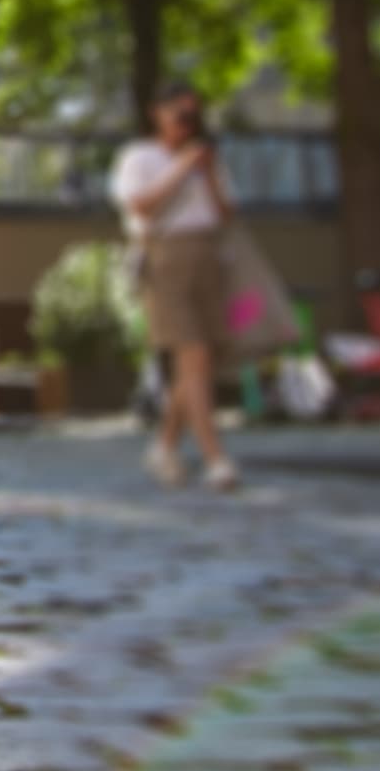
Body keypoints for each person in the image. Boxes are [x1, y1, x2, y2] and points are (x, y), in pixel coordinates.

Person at [110, 84, 239, 491]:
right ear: (157, 113)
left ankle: (165, 447)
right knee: (193, 353)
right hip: (165, 259)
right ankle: (215, 459)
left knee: (201, 360)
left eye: (193, 115)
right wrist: (183, 167)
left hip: (207, 258)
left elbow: (224, 213)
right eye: (179, 114)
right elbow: (140, 206)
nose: (187, 123)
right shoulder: (140, 156)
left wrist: (209, 170)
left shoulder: (206, 156)